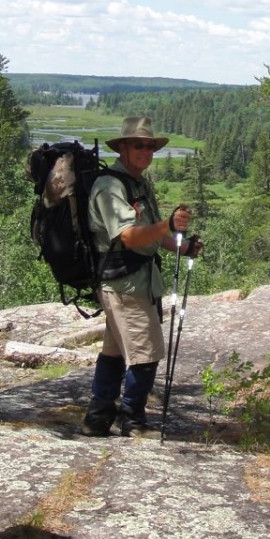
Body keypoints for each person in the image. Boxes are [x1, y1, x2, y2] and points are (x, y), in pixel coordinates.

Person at [81, 117, 201, 437]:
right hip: (124, 283)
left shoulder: (139, 183)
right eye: (138, 145)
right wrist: (167, 226)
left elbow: (152, 234)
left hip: (136, 281)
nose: (146, 151)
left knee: (115, 351)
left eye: (150, 146)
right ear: (122, 147)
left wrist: (182, 246)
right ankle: (132, 421)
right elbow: (129, 236)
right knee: (146, 354)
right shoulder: (110, 187)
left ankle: (97, 418)